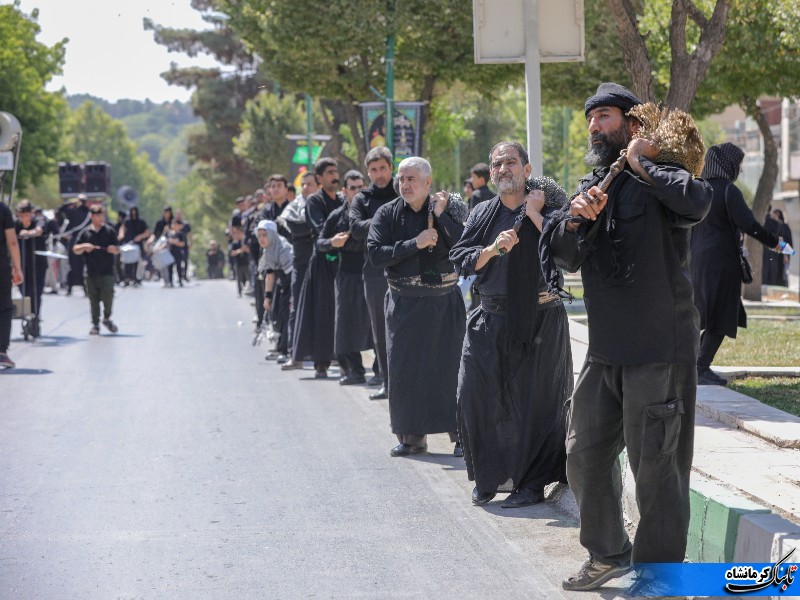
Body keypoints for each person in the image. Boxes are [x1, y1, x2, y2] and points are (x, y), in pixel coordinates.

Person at [539, 82, 712, 591]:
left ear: (633, 126)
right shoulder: (592, 186)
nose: (595, 126)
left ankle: (661, 575)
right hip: (607, 348)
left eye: (606, 117)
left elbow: (697, 203)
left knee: (656, 468)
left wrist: (642, 164)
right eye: (590, 118)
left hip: (659, 347)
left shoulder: (663, 177)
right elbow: (562, 255)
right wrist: (575, 220)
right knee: (582, 452)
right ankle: (608, 553)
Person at [450, 142, 573, 508]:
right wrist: (491, 250)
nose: (504, 169)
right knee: (474, 395)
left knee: (535, 404)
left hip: (539, 320)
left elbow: (568, 253)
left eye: (511, 162)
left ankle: (532, 483)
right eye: (498, 164)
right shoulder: (482, 213)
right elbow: (460, 258)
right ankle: (488, 478)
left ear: (527, 168)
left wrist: (536, 214)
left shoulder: (548, 207)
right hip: (490, 319)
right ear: (492, 173)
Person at [367, 156, 467, 457]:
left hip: (443, 304)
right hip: (404, 304)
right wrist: (415, 243)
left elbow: (463, 245)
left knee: (451, 370)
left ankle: (461, 436)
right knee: (405, 371)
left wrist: (441, 216)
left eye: (411, 179)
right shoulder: (386, 214)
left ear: (427, 182)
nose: (404, 184)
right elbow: (375, 254)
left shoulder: (447, 209)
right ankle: (412, 438)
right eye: (402, 178)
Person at [691, 143, 781, 386]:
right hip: (722, 262)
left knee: (706, 313)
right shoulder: (728, 191)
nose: (740, 170)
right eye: (739, 164)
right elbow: (750, 224)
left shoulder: (698, 188)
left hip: (698, 262)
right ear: (728, 164)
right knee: (721, 313)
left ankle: (694, 366)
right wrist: (775, 243)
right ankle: (700, 367)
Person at [349, 146, 397, 398]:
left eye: (383, 168)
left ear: (391, 168)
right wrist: (386, 218)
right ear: (368, 172)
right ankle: (387, 383)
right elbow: (356, 228)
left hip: (405, 269)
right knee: (380, 330)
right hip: (375, 272)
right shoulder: (362, 198)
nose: (379, 174)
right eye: (374, 170)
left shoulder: (404, 191)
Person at [289, 158, 343, 378]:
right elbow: (321, 229)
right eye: (330, 172)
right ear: (320, 178)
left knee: (342, 311)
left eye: (336, 171)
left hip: (343, 262)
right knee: (322, 312)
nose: (334, 176)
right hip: (321, 263)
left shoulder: (342, 200)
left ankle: (345, 358)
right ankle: (321, 363)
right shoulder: (314, 201)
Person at [318, 170, 372, 385]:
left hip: (372, 273)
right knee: (345, 324)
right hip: (347, 274)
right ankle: (355, 370)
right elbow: (319, 243)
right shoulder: (336, 216)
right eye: (353, 188)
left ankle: (379, 372)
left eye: (361, 187)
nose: (357, 192)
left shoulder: (374, 212)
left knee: (374, 323)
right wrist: (333, 242)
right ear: (344, 190)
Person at [278, 171, 319, 368]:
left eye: (309, 184)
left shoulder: (322, 205)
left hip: (322, 263)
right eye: (303, 184)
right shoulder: (293, 207)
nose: (305, 188)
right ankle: (295, 355)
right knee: (297, 307)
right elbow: (291, 227)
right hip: (301, 261)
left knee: (322, 307)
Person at [72, 205, 120, 335]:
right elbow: (75, 249)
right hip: (91, 272)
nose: (100, 218)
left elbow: (118, 249)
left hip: (107, 271)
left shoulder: (109, 231)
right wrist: (84, 246)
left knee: (108, 297)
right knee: (93, 300)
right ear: (92, 216)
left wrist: (113, 249)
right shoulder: (85, 232)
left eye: (102, 215)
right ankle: (95, 324)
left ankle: (107, 318)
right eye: (97, 215)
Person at [255, 219, 293, 361]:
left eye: (264, 235)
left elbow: (291, 273)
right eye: (259, 236)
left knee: (286, 314)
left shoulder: (283, 248)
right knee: (275, 313)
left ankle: (287, 350)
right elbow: (270, 274)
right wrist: (267, 297)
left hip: (290, 282)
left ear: (271, 234)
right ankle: (279, 347)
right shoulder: (269, 250)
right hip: (281, 283)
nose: (262, 239)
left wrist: (292, 296)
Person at [14, 200, 47, 337]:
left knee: (36, 292)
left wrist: (29, 233)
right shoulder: (16, 225)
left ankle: (35, 317)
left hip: (37, 264)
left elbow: (39, 230)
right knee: (24, 291)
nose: (23, 218)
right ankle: (28, 315)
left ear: (31, 213)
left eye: (25, 215)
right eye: (20, 215)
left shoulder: (39, 221)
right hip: (22, 264)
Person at [1, 200, 23, 368]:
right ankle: (1, 352)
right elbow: (12, 242)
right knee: (4, 308)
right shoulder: (3, 210)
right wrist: (17, 268)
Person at [59, 195, 90, 296]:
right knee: (76, 266)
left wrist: (71, 202)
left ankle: (82, 288)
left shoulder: (87, 213)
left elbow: (62, 208)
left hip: (80, 241)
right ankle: (72, 288)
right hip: (79, 242)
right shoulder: (79, 212)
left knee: (79, 266)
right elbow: (61, 210)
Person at [118, 206, 150, 286]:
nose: (133, 213)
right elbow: (122, 229)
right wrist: (121, 235)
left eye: (134, 211)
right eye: (132, 211)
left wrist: (140, 237)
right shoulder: (127, 221)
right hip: (128, 245)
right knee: (127, 262)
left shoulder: (141, 221)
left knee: (137, 263)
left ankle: (137, 279)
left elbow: (147, 232)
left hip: (138, 246)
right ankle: (127, 278)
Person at [167, 219, 188, 287]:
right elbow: (167, 242)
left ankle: (180, 280)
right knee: (170, 267)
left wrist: (174, 242)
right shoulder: (169, 233)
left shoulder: (181, 234)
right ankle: (170, 281)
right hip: (170, 252)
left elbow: (182, 244)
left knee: (178, 267)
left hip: (178, 252)